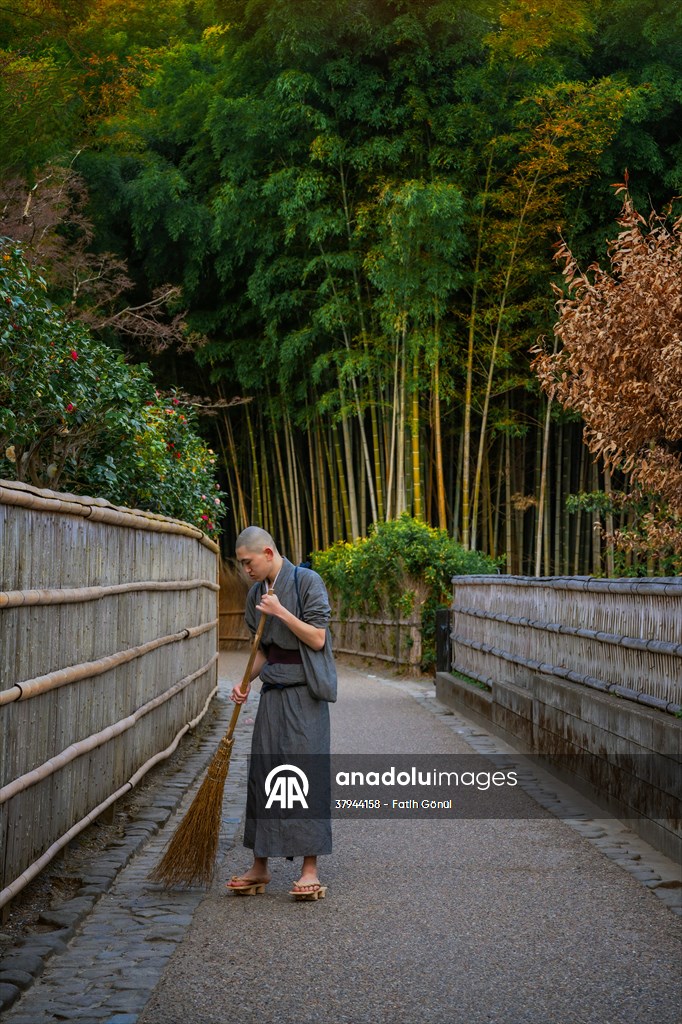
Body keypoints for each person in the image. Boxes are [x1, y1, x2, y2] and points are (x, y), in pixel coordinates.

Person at [227, 526, 334, 900]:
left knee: (305, 774)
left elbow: (317, 638)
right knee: (264, 773)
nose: (246, 571)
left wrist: (281, 611)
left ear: (268, 553)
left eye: (249, 562)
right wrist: (245, 683)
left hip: (305, 693)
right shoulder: (256, 593)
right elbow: (263, 651)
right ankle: (260, 866)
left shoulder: (307, 582)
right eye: (241, 565)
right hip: (272, 692)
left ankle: (310, 868)